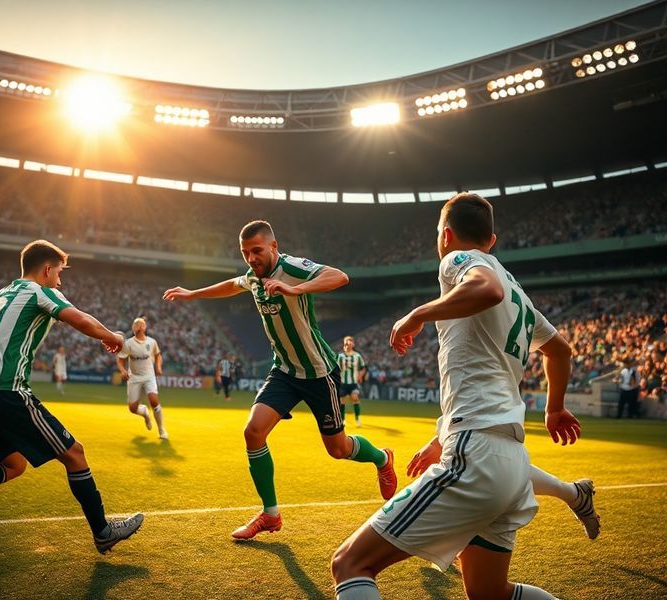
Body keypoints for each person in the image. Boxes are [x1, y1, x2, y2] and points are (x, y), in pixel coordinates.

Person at [331, 193, 596, 599]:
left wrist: (416, 314)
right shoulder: (520, 295)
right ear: (493, 240)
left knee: (349, 564)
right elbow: (559, 350)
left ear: (446, 235)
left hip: (476, 457)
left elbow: (485, 288)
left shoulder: (458, 259)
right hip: (512, 460)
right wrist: (555, 407)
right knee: (489, 592)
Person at [164, 220, 397, 540]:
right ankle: (270, 514)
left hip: (319, 372)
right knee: (253, 432)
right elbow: (233, 284)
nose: (251, 258)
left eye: (257, 251)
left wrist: (295, 288)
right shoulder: (253, 276)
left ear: (273, 246)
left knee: (339, 449)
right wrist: (193, 294)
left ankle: (382, 458)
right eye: (245, 253)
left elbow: (339, 277)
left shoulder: (292, 268)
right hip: (285, 371)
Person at [0, 240, 143, 554]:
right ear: (47, 269)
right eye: (59, 273)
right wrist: (114, 337)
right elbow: (80, 319)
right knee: (74, 454)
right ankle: (103, 532)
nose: (60, 281)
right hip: (7, 393)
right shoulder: (39, 291)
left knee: (13, 464)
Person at [116, 317, 168, 439]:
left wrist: (158, 367)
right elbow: (120, 359)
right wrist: (123, 370)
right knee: (132, 408)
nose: (136, 327)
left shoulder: (152, 342)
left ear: (144, 327)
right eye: (134, 325)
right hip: (134, 377)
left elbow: (158, 355)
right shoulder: (129, 343)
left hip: (149, 376)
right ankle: (144, 413)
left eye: (139, 325)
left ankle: (162, 430)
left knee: (154, 401)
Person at [338, 336, 367, 427]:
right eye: (346, 342)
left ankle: (357, 419)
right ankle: (342, 420)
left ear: (353, 344)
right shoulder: (340, 356)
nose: (347, 344)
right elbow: (336, 369)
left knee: (355, 398)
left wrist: (360, 376)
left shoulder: (357, 356)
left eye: (349, 342)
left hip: (353, 383)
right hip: (343, 383)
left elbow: (363, 368)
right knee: (342, 401)